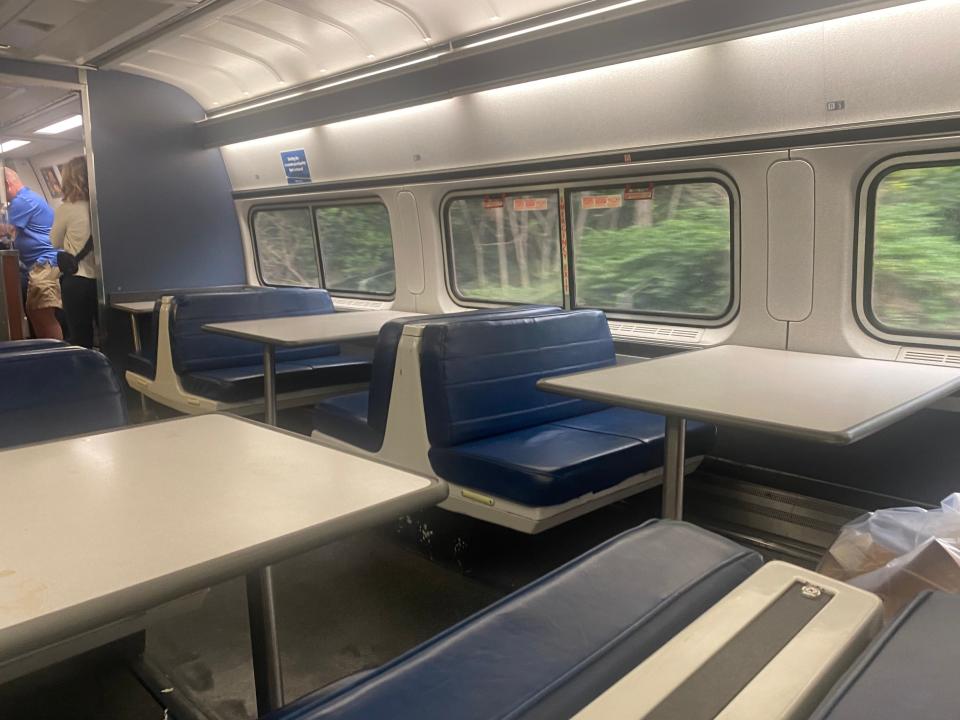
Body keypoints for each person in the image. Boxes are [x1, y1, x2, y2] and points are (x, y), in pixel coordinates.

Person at [0, 167, 61, 340]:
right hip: (36, 265)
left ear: (7, 184)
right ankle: (44, 351)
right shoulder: (25, 199)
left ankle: (55, 355)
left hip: (45, 263)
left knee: (43, 315)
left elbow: (4, 229)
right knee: (35, 313)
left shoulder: (23, 201)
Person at [51, 157, 97, 348]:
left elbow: (55, 242)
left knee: (80, 337)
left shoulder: (66, 209)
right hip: (105, 282)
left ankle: (84, 375)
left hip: (77, 280)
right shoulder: (104, 206)